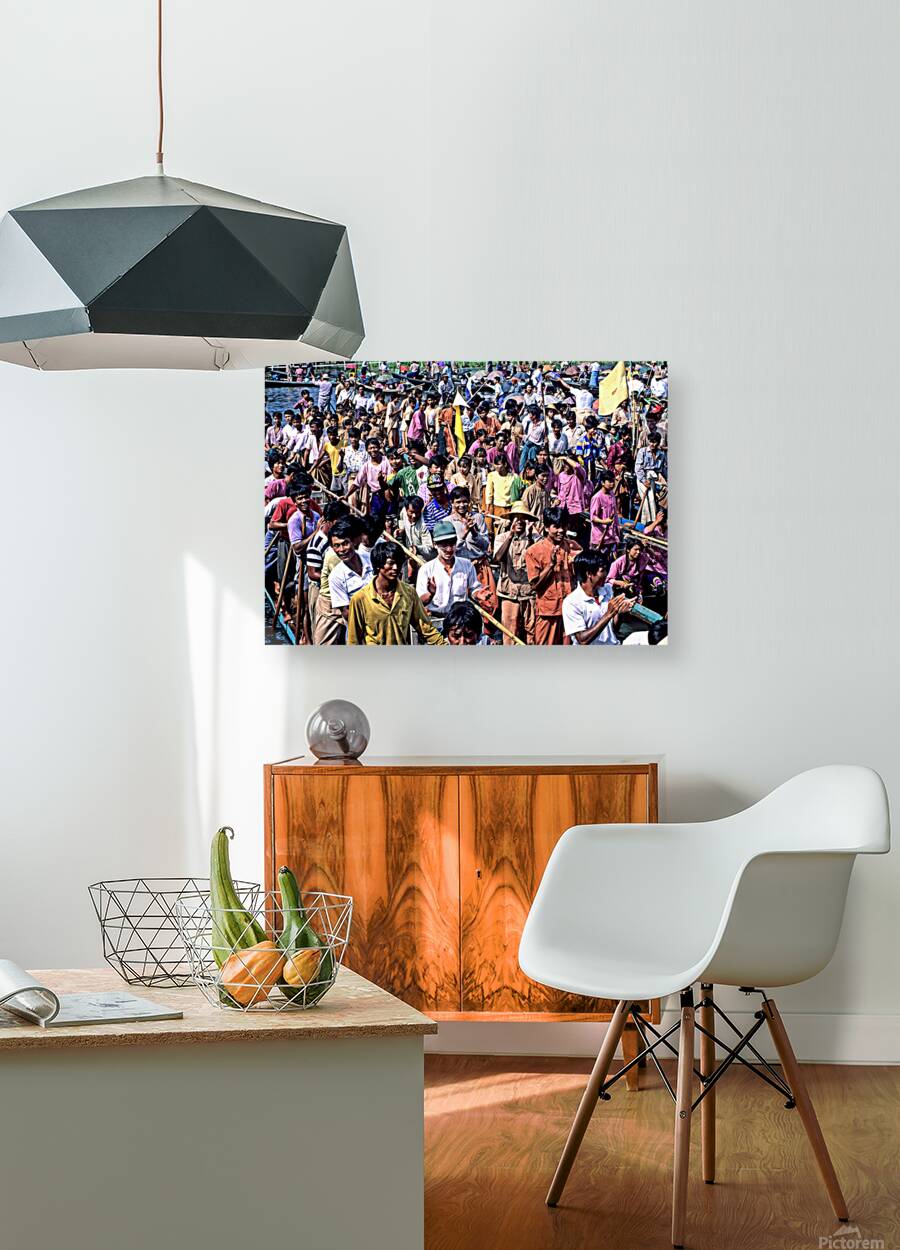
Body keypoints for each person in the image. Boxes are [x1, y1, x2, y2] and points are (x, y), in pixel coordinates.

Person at [347, 542, 446, 645]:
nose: (395, 567)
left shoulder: (409, 593)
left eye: (399, 563)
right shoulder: (360, 599)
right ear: (378, 565)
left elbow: (425, 628)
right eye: (390, 563)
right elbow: (353, 639)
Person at [524, 506, 581, 645]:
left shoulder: (573, 547)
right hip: (548, 611)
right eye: (556, 527)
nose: (561, 530)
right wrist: (551, 565)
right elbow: (535, 586)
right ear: (547, 528)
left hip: (570, 611)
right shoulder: (533, 551)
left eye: (563, 526)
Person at [416, 519, 479, 632]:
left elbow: (474, 589)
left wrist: (479, 594)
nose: (449, 549)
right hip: (436, 620)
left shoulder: (467, 565)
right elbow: (419, 601)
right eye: (443, 545)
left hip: (460, 621)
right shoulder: (426, 570)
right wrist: (431, 593)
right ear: (435, 544)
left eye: (452, 543)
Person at [562, 551, 632, 645]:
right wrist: (609, 613)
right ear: (589, 574)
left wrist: (619, 613)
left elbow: (612, 629)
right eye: (602, 571)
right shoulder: (571, 602)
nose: (606, 574)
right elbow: (582, 640)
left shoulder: (607, 590)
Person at [494, 502, 538, 645]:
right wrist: (511, 535)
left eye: (523, 518)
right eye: (516, 518)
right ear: (511, 520)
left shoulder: (534, 537)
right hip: (509, 592)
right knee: (509, 633)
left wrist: (531, 537)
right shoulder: (502, 537)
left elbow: (537, 560)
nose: (519, 521)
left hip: (529, 592)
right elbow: (497, 558)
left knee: (531, 633)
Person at [448, 486, 490, 561]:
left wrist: (474, 533)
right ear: (452, 503)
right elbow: (449, 549)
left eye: (464, 501)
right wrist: (464, 535)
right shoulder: (448, 522)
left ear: (469, 501)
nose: (462, 505)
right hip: (459, 564)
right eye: (458, 502)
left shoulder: (478, 518)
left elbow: (485, 545)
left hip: (478, 563)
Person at [588, 471, 620, 550]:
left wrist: (617, 530)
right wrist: (604, 522)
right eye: (610, 482)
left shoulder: (612, 494)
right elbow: (593, 517)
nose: (612, 484)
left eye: (613, 481)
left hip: (611, 536)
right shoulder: (597, 497)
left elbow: (614, 514)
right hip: (599, 536)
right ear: (602, 482)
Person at [485, 454, 514, 533]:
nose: (496, 466)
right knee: (497, 530)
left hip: (509, 508)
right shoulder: (491, 475)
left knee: (509, 531)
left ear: (505, 464)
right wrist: (487, 509)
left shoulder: (514, 477)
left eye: (499, 464)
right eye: (495, 464)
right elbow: (489, 493)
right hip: (497, 508)